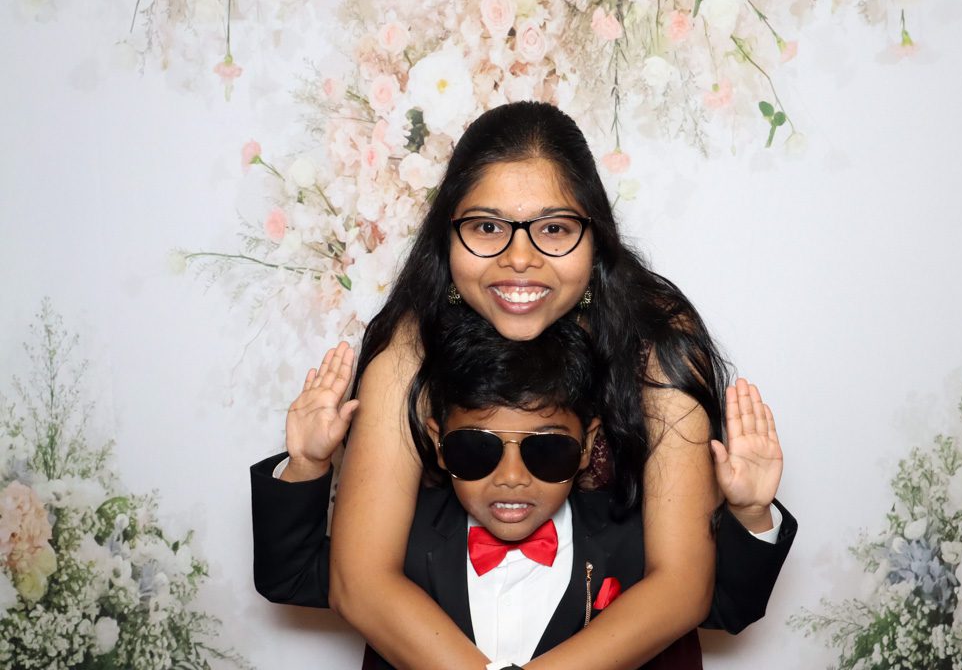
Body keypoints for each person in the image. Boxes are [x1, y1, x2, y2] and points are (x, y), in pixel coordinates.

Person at [259, 101, 793, 669]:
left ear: (595, 236)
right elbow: (360, 579)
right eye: (487, 227)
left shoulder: (656, 340)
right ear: (448, 234)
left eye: (554, 228)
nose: (520, 259)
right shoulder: (411, 344)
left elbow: (682, 584)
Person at [252, 310, 796, 668]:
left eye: (546, 450)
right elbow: (289, 577)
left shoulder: (634, 544)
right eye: (477, 449)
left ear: (587, 446)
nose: (511, 476)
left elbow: (726, 607)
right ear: (439, 443)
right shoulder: (397, 546)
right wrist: (307, 464)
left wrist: (751, 513)